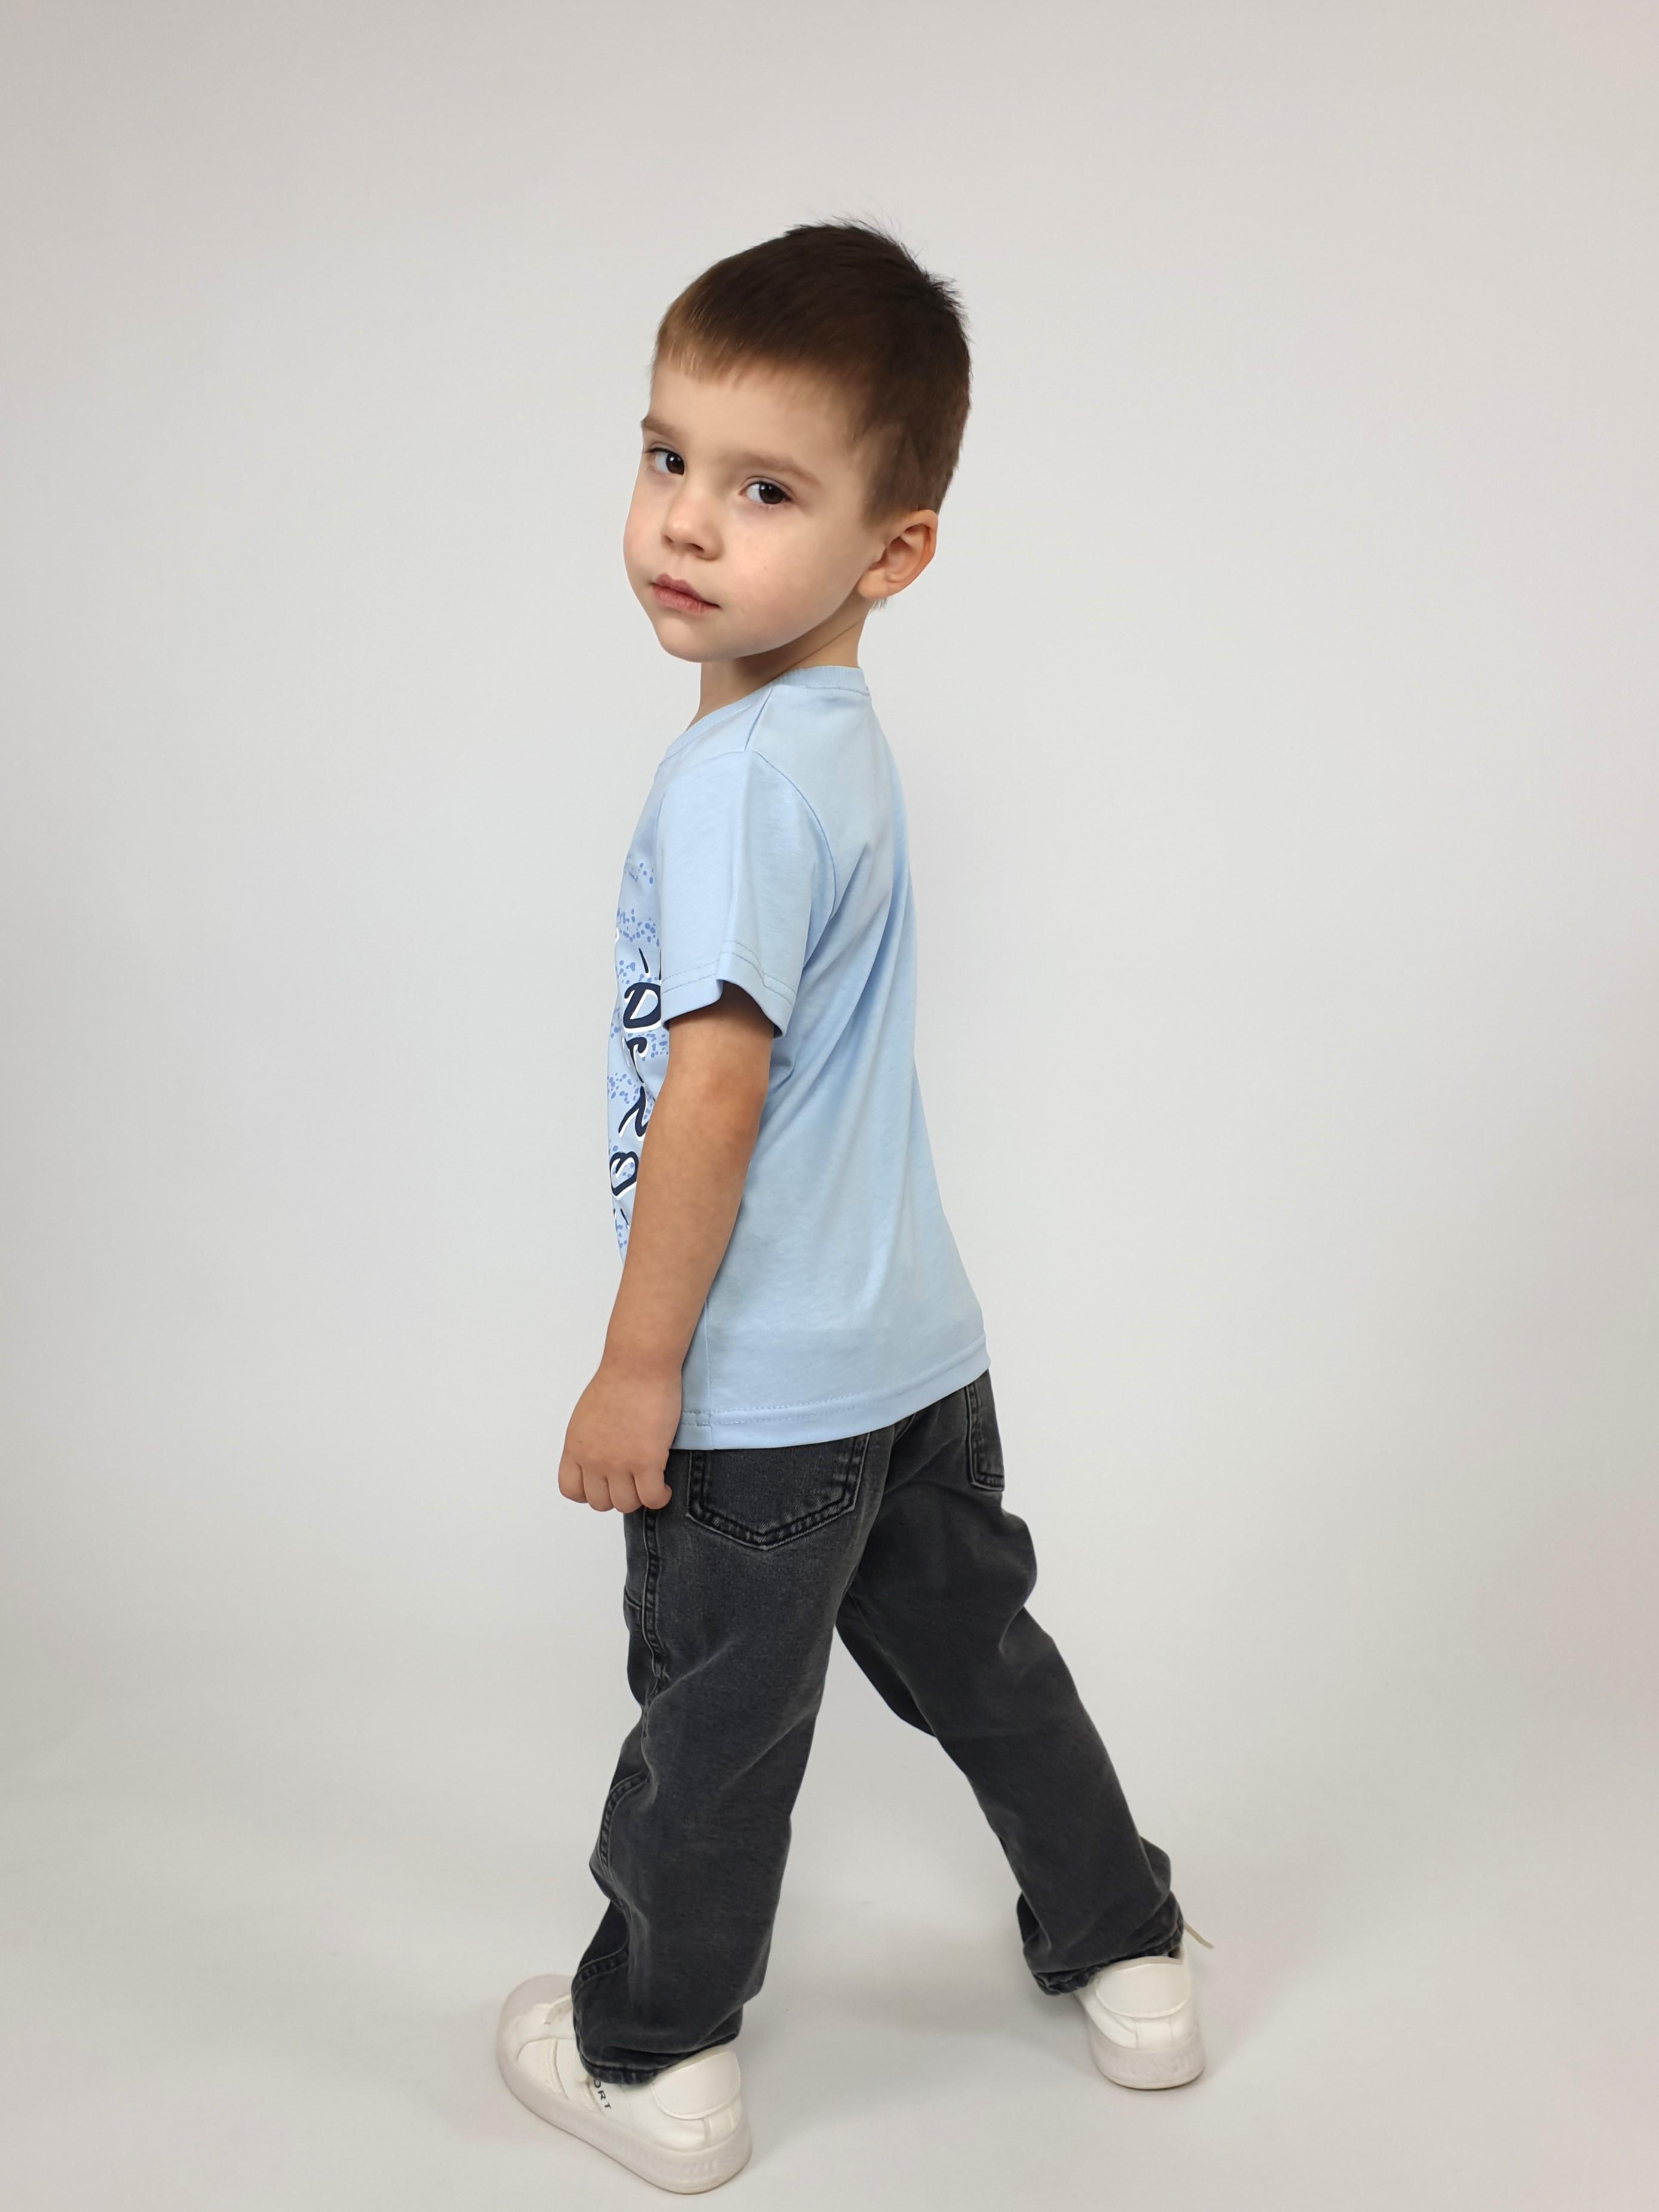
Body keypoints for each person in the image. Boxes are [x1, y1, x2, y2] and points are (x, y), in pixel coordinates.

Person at [495, 217, 1205, 2194]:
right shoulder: (828, 739)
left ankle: (653, 2057)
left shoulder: (735, 783)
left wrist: (642, 1369)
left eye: (765, 489)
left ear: (894, 552)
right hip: (917, 1354)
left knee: (717, 1733)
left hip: (765, 1395)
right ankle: (1130, 1951)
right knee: (987, 1664)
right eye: (668, 455)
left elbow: (716, 1092)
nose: (685, 521)